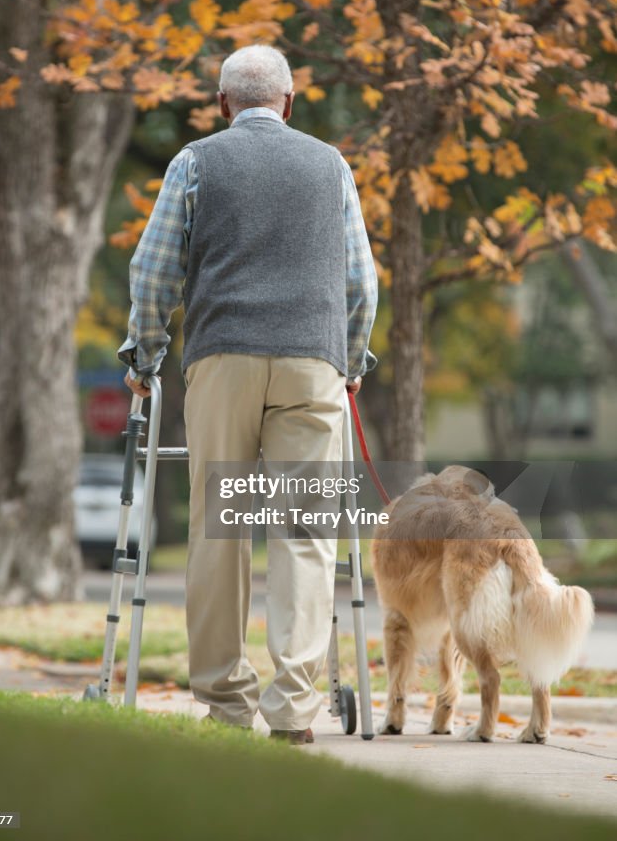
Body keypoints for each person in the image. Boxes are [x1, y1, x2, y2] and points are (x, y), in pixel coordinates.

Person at [118, 44, 378, 744]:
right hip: (311, 365)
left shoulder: (195, 162)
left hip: (223, 359)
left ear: (223, 102)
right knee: (305, 535)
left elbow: (152, 272)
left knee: (218, 532)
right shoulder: (331, 165)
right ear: (289, 103)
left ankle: (227, 707)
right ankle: (293, 709)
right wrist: (350, 361)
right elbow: (362, 281)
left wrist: (145, 356)